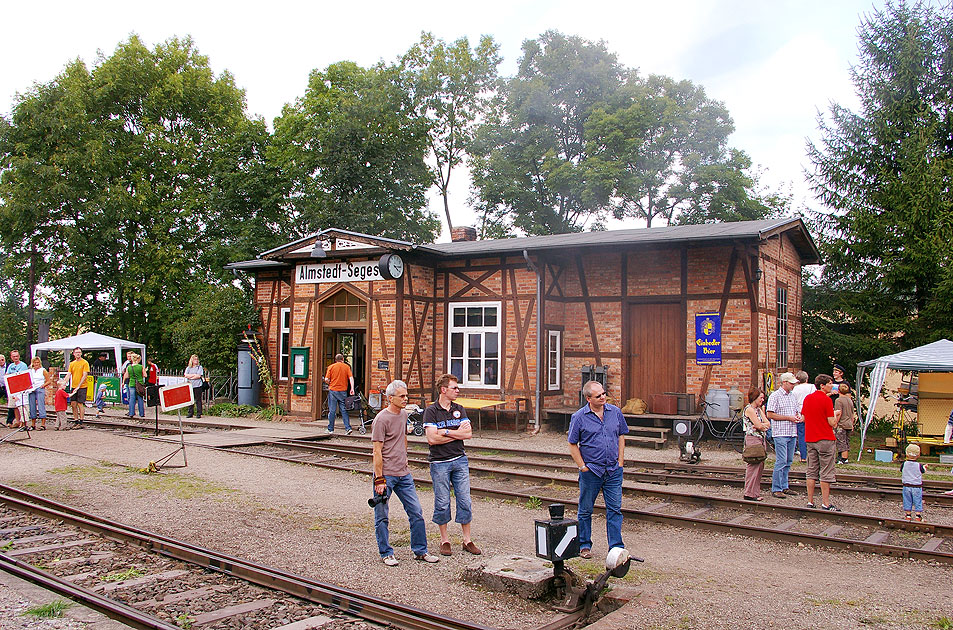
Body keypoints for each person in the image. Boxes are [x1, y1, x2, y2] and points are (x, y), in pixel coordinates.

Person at [371, 379, 439, 566]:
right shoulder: (381, 419)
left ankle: (420, 550)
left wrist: (405, 458)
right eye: (402, 396)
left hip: (404, 474)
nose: (405, 399)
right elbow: (377, 450)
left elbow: (403, 438)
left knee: (416, 512)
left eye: (406, 395)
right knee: (382, 515)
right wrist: (379, 479)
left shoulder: (403, 416)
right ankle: (386, 552)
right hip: (387, 475)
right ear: (390, 398)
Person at [568, 380, 629, 559]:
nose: (603, 397)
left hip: (613, 471)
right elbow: (572, 444)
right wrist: (582, 467)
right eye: (598, 396)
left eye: (603, 393)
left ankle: (616, 547)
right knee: (586, 510)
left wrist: (620, 462)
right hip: (591, 472)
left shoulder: (615, 412)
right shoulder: (579, 417)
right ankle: (584, 545)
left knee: (615, 510)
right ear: (588, 398)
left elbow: (621, 436)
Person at [423, 373, 480, 557]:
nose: (458, 390)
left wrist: (446, 431)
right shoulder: (431, 411)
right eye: (454, 388)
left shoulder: (459, 409)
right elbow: (432, 439)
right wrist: (457, 433)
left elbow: (468, 434)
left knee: (465, 499)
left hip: (459, 459)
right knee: (442, 501)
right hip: (439, 462)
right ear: (443, 390)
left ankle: (467, 540)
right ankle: (444, 539)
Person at [802, 374, 841, 511]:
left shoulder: (807, 399)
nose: (832, 385)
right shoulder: (826, 400)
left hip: (810, 438)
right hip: (825, 438)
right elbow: (832, 422)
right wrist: (836, 415)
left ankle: (810, 501)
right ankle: (825, 502)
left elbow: (804, 417)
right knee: (826, 471)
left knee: (811, 470)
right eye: (830, 383)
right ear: (822, 385)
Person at [766, 372, 802, 499]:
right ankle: (776, 488)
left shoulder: (792, 396)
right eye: (791, 383)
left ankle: (784, 485)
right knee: (781, 461)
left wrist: (797, 416)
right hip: (780, 433)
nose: (793, 386)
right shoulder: (775, 396)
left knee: (788, 461)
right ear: (784, 383)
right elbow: (770, 414)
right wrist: (788, 418)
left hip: (792, 432)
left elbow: (797, 411)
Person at [742, 388, 770, 501]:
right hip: (753, 439)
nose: (762, 400)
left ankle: (755, 492)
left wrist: (762, 425)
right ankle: (749, 492)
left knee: (760, 466)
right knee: (753, 465)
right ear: (754, 398)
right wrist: (761, 426)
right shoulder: (749, 409)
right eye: (761, 398)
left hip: (760, 439)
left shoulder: (758, 410)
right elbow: (759, 425)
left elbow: (767, 423)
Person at [323, 353, 355, 434]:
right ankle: (348, 428)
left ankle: (330, 429)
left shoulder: (331, 367)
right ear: (343, 359)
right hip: (343, 391)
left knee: (332, 410)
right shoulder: (347, 367)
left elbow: (326, 379)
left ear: (335, 360)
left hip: (333, 390)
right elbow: (351, 378)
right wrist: (352, 388)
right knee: (344, 410)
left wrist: (329, 382)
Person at [900, 444, 926, 522]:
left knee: (907, 500)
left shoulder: (904, 464)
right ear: (918, 455)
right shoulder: (919, 465)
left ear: (907, 454)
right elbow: (922, 471)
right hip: (917, 486)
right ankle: (918, 516)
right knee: (917, 500)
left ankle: (908, 515)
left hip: (906, 486)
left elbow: (901, 470)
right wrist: (925, 467)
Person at [792, 370, 814, 463]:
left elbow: (793, 401)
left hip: (800, 412)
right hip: (811, 411)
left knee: (801, 435)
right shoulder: (812, 387)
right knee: (812, 434)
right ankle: (812, 455)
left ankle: (803, 456)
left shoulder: (795, 389)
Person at [5, 351, 29, 428]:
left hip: (20, 388)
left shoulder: (23, 365)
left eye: (17, 356)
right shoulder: (10, 366)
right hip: (12, 388)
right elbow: (7, 375)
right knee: (14, 406)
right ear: (11, 357)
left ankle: (23, 422)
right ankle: (18, 421)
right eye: (14, 356)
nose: (15, 358)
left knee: (21, 406)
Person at [67, 347, 90, 427]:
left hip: (82, 386)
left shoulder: (85, 363)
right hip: (74, 386)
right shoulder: (72, 364)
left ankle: (81, 420)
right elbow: (69, 374)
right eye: (76, 352)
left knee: (80, 403)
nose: (78, 354)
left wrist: (79, 385)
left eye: (79, 352)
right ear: (74, 354)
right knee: (73, 403)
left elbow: (85, 375)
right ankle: (75, 420)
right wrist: (64, 382)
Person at [834, 383, 856, 464]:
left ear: (838, 390)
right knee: (846, 441)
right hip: (849, 423)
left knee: (841, 441)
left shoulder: (838, 400)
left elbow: (838, 412)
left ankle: (843, 458)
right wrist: (852, 423)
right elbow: (852, 413)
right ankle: (845, 457)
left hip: (842, 424)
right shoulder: (849, 400)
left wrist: (835, 422)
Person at [27, 357, 51, 430]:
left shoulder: (43, 370)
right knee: (32, 406)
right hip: (32, 389)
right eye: (35, 362)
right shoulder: (30, 371)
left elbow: (48, 380)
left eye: (38, 362)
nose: (36, 364)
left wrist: (43, 385)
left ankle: (43, 424)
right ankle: (33, 424)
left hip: (39, 388)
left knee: (41, 405)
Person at [124, 353, 146, 418]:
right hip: (139, 384)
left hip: (132, 383)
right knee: (140, 398)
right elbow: (145, 375)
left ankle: (131, 413)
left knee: (132, 398)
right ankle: (141, 413)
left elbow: (127, 376)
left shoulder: (129, 367)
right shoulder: (141, 366)